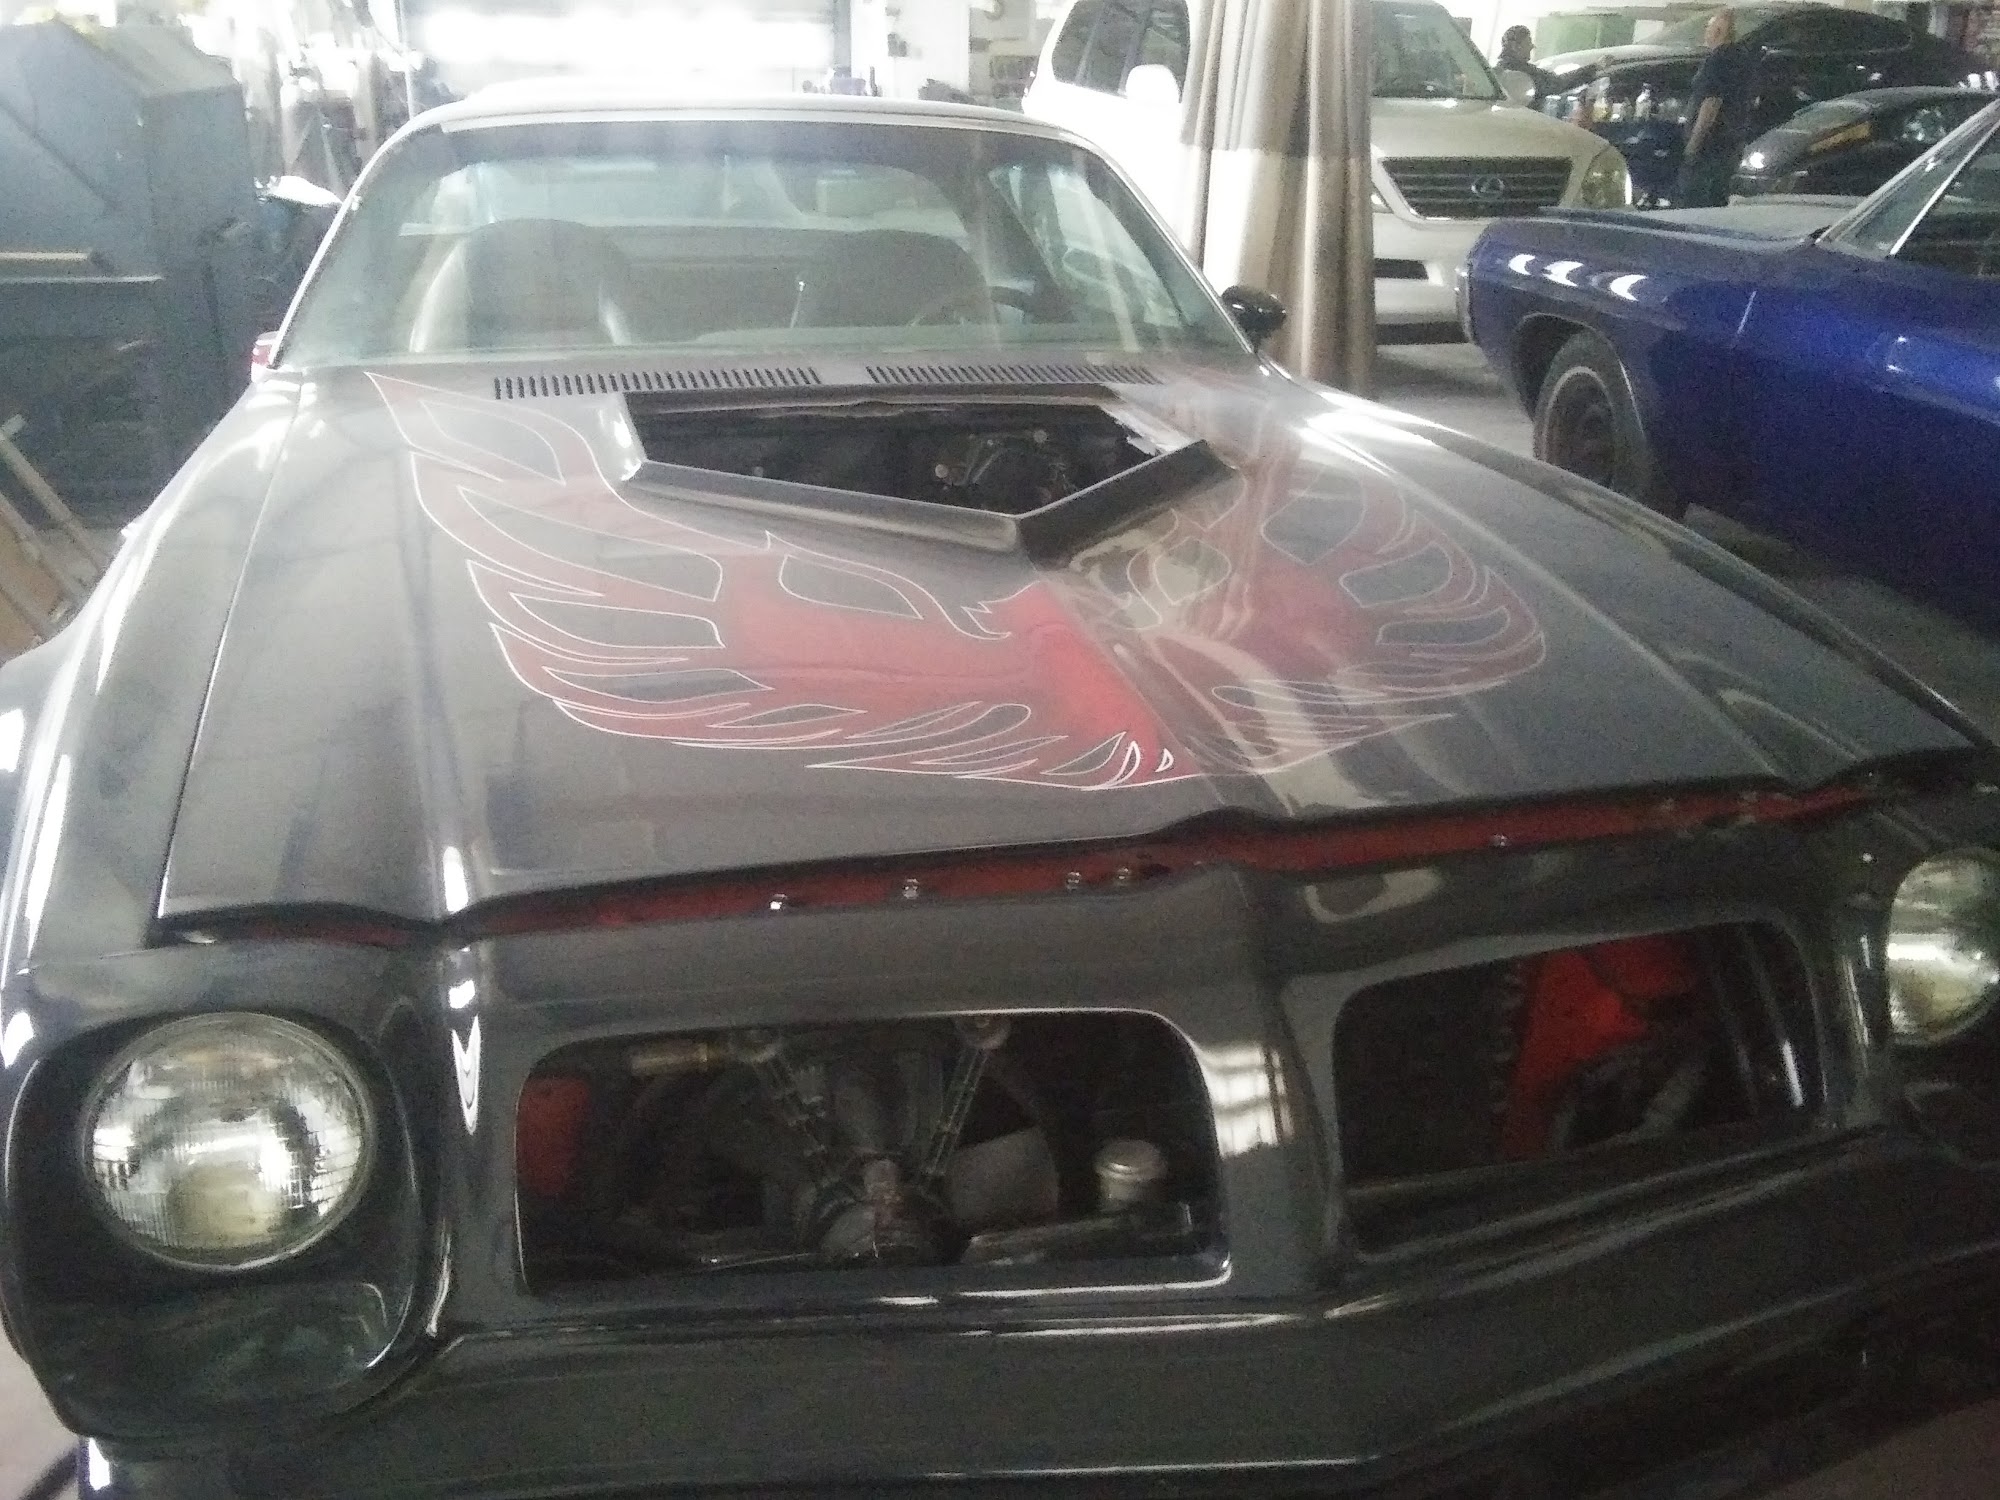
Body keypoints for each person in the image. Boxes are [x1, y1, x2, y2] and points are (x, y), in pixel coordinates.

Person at [1675, 10, 1756, 207]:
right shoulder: (1743, 58)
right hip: (1731, 144)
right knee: (1717, 199)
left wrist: (1693, 145)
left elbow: (1711, 105)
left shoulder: (1717, 61)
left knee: (1693, 200)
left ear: (1719, 31)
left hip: (1709, 147)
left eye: (1708, 28)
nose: (1705, 32)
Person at [1494, 25, 1557, 101]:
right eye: (1528, 43)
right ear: (1515, 47)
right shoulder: (1524, 72)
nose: (1532, 46)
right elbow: (1555, 83)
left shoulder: (1498, 71)